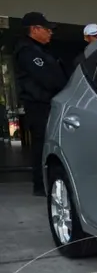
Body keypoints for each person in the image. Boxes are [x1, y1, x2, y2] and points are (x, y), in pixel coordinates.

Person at [13, 11, 69, 196]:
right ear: (35, 29)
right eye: (47, 29)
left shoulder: (40, 50)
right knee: (42, 144)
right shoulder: (28, 52)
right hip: (39, 106)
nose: (50, 32)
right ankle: (40, 184)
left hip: (48, 104)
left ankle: (46, 182)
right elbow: (50, 79)